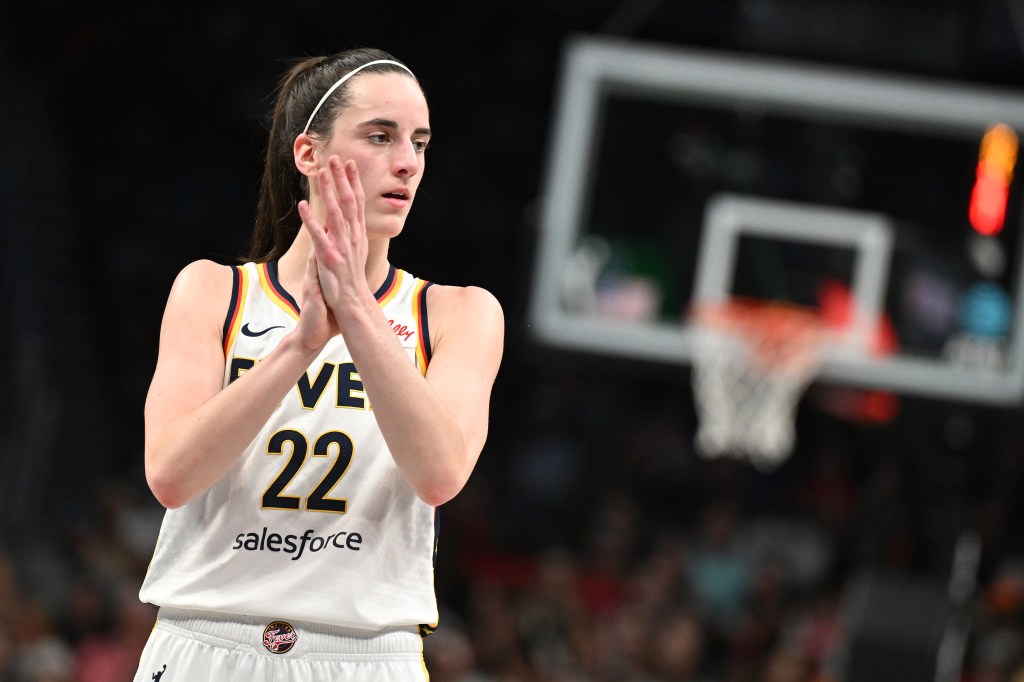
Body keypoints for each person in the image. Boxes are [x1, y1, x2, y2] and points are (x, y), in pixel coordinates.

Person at [133, 47, 504, 681]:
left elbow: (440, 473)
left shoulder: (458, 313)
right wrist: (298, 348)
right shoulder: (212, 291)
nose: (407, 162)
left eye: (420, 142)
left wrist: (357, 312)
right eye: (380, 136)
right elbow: (170, 476)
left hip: (367, 652)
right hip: (206, 640)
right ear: (308, 154)